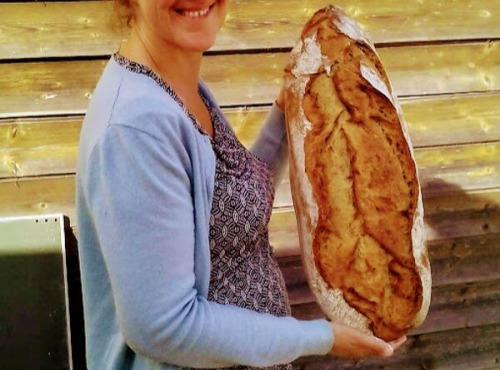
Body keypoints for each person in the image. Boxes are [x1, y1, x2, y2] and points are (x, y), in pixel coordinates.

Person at [75, 0, 406, 368]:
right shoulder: (136, 130)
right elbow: (162, 326)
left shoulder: (176, 86)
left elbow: (233, 202)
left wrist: (288, 112)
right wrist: (322, 338)